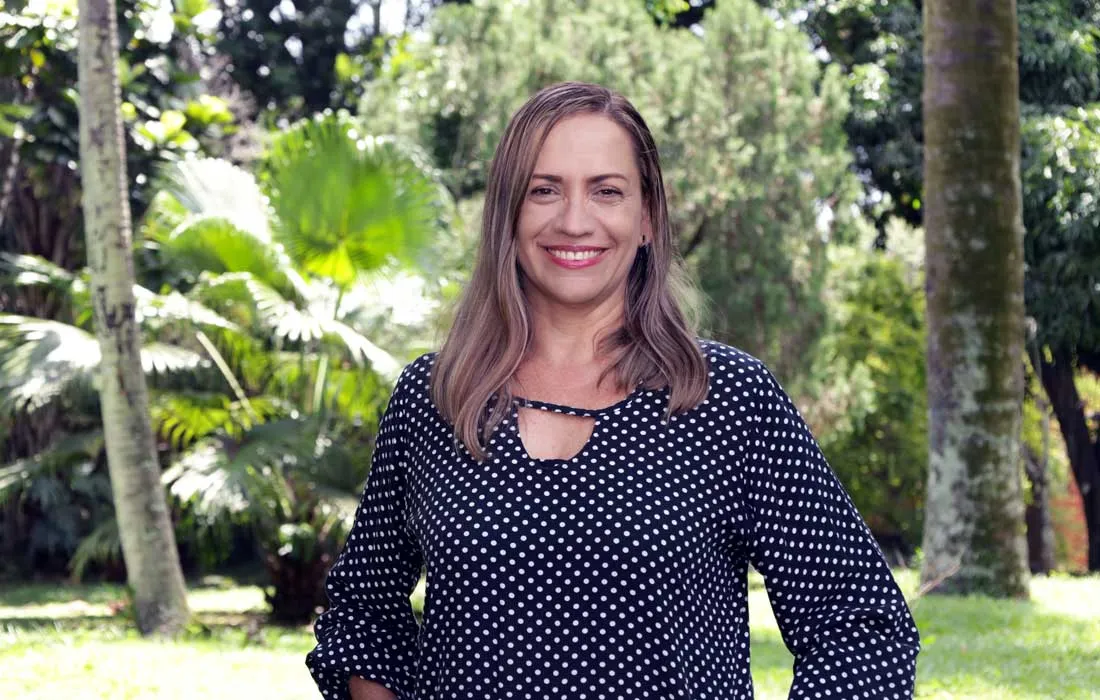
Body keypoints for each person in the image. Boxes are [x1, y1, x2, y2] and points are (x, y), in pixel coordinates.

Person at [305, 81, 921, 700]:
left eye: (607, 191)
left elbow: (861, 627)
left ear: (647, 216)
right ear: (508, 216)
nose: (575, 221)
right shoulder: (437, 396)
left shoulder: (729, 399)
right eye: (544, 190)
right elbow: (365, 615)